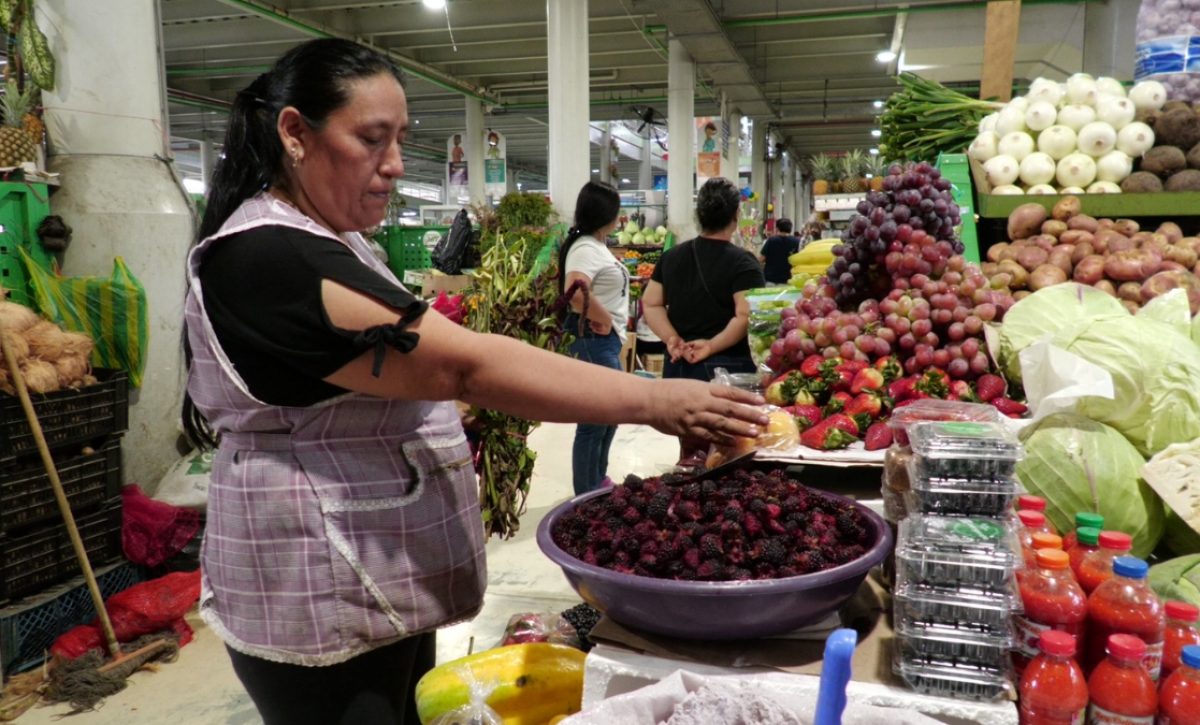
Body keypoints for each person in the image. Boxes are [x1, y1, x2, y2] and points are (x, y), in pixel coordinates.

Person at [181, 39, 766, 725]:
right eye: (372, 139)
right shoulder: (265, 256)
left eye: (400, 139)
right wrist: (659, 397)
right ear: (295, 134)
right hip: (314, 583)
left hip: (366, 566)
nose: (395, 164)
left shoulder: (333, 241)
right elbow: (467, 362)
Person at [643, 177, 766, 382]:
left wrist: (672, 339)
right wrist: (710, 346)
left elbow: (650, 303)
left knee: (677, 415)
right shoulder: (744, 263)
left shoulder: (671, 256)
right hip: (727, 368)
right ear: (736, 214)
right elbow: (745, 316)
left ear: (699, 215)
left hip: (678, 364)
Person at [558, 181, 629, 496]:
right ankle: (586, 492)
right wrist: (603, 319)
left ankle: (598, 480)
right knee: (594, 419)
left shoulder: (595, 244)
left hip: (604, 340)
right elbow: (574, 293)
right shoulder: (586, 247)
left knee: (609, 415)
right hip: (593, 340)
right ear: (608, 215)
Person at [758, 217, 799, 285]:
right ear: (790, 229)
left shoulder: (771, 240)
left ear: (777, 228)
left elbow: (761, 259)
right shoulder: (796, 242)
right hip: (789, 279)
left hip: (770, 279)